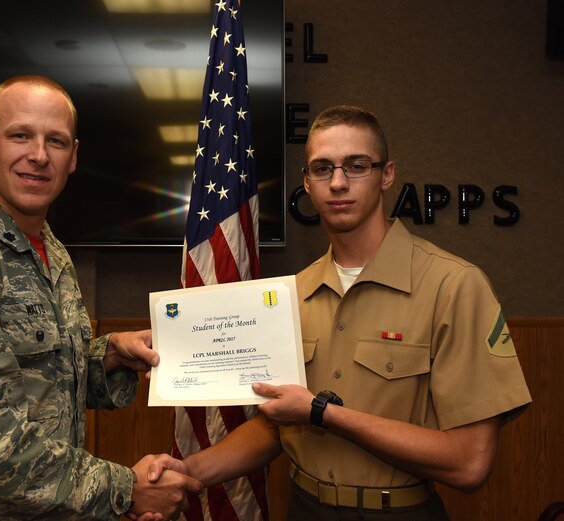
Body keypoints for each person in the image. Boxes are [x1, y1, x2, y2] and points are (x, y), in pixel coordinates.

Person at [146, 105, 531, 520]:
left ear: (387, 175)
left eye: (357, 166)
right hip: (304, 508)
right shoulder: (292, 294)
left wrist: (322, 413)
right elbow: (276, 425)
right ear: (307, 184)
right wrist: (189, 470)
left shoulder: (453, 285)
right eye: (322, 168)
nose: (339, 182)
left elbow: (470, 462)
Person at [0, 75, 201, 520]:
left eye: (56, 141)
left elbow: (36, 375)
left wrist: (109, 360)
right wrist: (125, 489)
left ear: (74, 157)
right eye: (20, 135)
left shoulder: (48, 249)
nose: (39, 156)